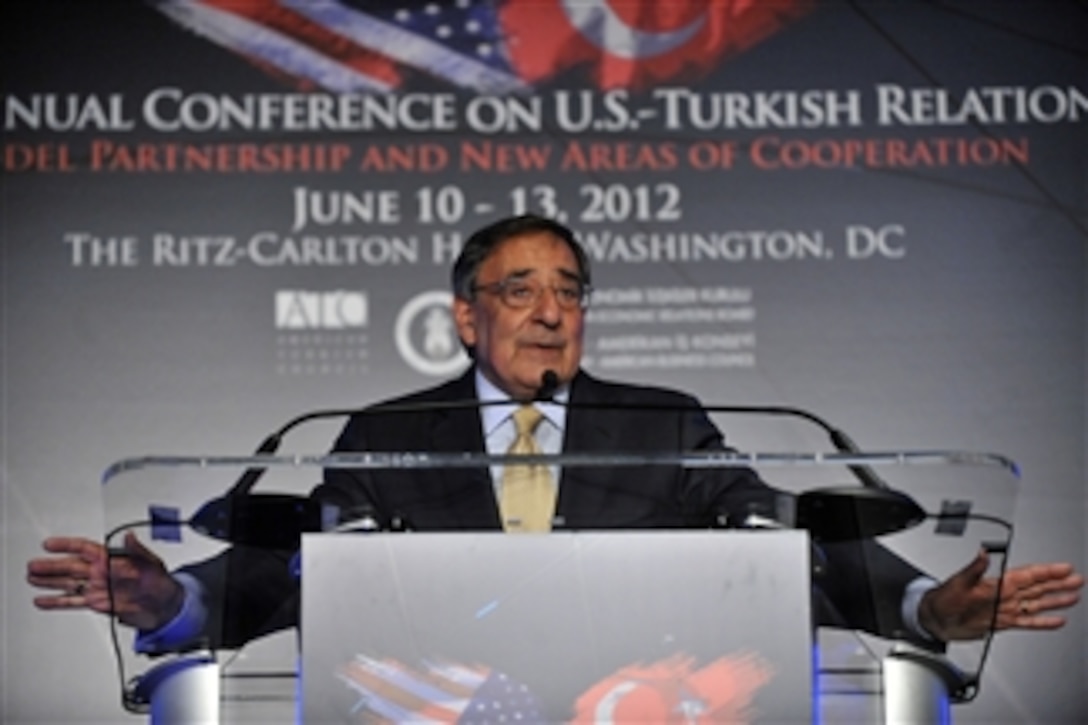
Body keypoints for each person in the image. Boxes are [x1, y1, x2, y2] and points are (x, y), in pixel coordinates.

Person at [28, 214, 1083, 653]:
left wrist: (924, 604)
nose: (548, 310)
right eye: (519, 289)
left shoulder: (660, 422)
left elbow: (782, 534)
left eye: (568, 291)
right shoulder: (387, 431)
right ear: (465, 314)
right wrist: (174, 601)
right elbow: (297, 567)